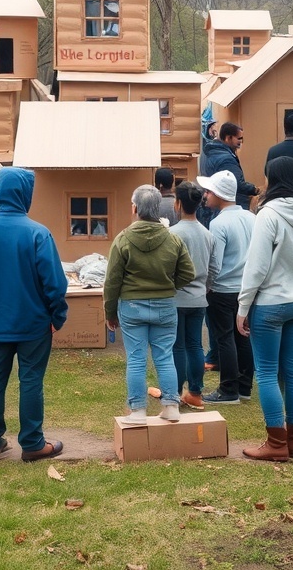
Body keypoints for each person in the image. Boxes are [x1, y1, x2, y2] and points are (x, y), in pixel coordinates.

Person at [0, 166, 68, 463]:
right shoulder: (38, 233)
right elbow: (55, 283)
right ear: (25, 194)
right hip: (34, 322)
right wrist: (57, 316)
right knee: (30, 379)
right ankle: (32, 443)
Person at [236, 156, 293, 461]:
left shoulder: (268, 214)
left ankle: (275, 444)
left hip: (271, 304)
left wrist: (243, 305)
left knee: (266, 372)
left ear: (273, 180)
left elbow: (256, 266)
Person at [104, 183, 195, 424]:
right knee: (165, 357)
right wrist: (168, 285)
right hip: (165, 305)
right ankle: (171, 406)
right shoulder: (172, 239)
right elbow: (188, 272)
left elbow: (112, 280)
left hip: (131, 307)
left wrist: (109, 312)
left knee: (136, 358)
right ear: (159, 208)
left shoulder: (123, 239)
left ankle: (137, 412)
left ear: (135, 208)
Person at [197, 170, 255, 404]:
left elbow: (214, 263)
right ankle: (244, 387)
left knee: (225, 338)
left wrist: (207, 286)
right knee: (243, 337)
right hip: (246, 289)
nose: (206, 195)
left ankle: (228, 390)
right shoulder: (251, 218)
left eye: (209, 191)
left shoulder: (218, 223)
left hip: (222, 290)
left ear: (219, 194)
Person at [171, 182, 219, 410]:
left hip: (176, 297)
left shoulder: (172, 234)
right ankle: (196, 392)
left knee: (177, 346)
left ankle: (176, 391)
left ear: (177, 203)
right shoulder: (208, 234)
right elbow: (214, 268)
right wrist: (205, 287)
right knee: (196, 345)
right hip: (199, 297)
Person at [198, 122, 259, 226]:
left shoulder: (209, 151)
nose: (241, 142)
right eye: (239, 138)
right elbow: (237, 183)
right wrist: (255, 189)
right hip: (225, 206)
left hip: (211, 205)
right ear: (228, 138)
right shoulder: (226, 159)